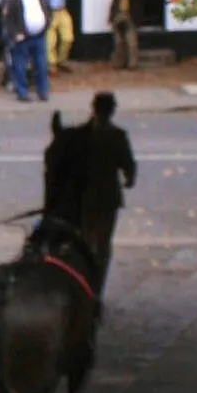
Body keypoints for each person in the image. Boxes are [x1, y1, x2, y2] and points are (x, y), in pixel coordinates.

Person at [45, 92, 139, 286]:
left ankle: (86, 282)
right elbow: (128, 166)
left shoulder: (80, 135)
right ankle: (95, 284)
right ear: (112, 111)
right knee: (102, 246)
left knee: (86, 243)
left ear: (93, 108)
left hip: (85, 196)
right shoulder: (117, 136)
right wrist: (129, 179)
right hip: (105, 198)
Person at [6, 0, 50, 101]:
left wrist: (46, 24)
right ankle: (22, 92)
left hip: (39, 36)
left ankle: (42, 92)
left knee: (41, 65)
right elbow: (9, 18)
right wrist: (15, 34)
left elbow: (48, 11)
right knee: (20, 65)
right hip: (23, 37)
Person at [39, 0, 77, 74]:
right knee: (50, 41)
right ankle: (52, 65)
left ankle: (62, 60)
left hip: (62, 10)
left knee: (68, 38)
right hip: (48, 11)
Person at [109, 0, 144, 70]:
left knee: (131, 40)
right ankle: (119, 62)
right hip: (118, 12)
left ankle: (132, 64)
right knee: (118, 40)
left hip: (130, 13)